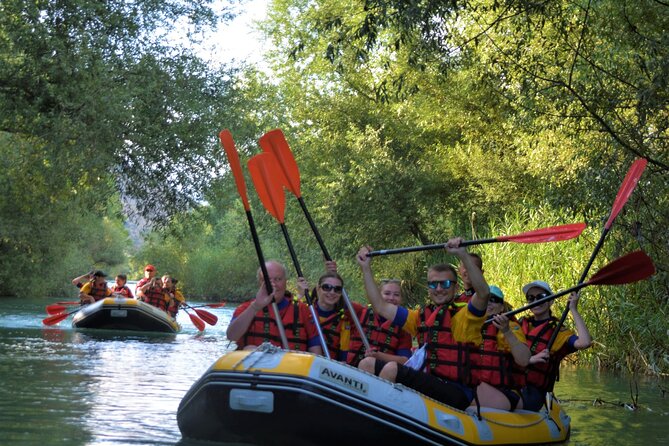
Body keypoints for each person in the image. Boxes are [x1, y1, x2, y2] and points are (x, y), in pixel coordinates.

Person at [356, 238, 491, 410]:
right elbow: (380, 306)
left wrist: (462, 255)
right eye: (433, 284)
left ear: (456, 288)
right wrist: (366, 268)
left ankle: (372, 417)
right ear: (428, 288)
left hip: (457, 391)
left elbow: (484, 293)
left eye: (446, 283)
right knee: (366, 363)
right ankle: (362, 413)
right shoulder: (419, 316)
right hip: (427, 381)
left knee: (392, 369)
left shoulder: (465, 315)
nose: (439, 288)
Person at [519, 280, 593, 411]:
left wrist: (573, 309)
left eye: (540, 297)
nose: (535, 301)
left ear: (551, 301)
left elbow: (585, 342)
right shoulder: (519, 324)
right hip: (513, 385)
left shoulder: (558, 332)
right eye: (531, 298)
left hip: (534, 391)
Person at [226, 261, 323, 355]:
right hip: (254, 368)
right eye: (266, 280)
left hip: (292, 368)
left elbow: (316, 350)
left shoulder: (304, 311)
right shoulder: (246, 308)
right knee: (249, 349)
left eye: (278, 279)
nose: (272, 285)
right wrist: (255, 307)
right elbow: (231, 336)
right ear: (259, 283)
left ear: (286, 281)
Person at [471, 285, 530, 411]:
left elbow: (524, 360)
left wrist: (506, 331)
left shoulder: (511, 327)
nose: (489, 303)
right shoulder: (470, 326)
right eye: (485, 299)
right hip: (481, 388)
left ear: (502, 307)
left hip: (504, 391)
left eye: (494, 299)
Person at [296, 270, 365, 361]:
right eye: (327, 287)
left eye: (337, 289)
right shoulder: (303, 310)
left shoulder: (343, 320)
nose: (332, 292)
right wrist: (299, 295)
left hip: (327, 369)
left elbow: (343, 356)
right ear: (318, 288)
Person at [347, 279, 413, 368]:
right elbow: (335, 299)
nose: (391, 298)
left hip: (380, 375)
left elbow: (405, 360)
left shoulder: (404, 327)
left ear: (401, 299)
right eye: (387, 293)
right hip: (351, 369)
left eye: (396, 295)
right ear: (377, 296)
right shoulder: (359, 312)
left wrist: (379, 356)